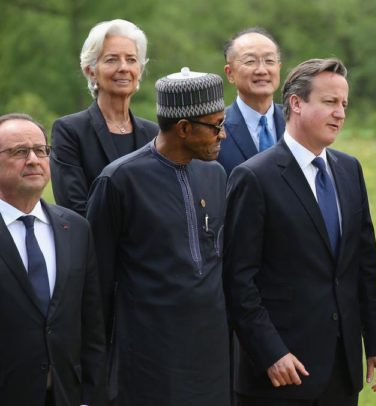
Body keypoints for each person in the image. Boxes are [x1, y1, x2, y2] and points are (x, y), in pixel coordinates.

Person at [224, 58, 376, 406]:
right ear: (296, 104)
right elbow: (238, 280)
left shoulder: (349, 170)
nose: (340, 113)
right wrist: (270, 352)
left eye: (344, 104)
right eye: (330, 102)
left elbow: (364, 266)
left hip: (341, 373)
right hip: (279, 373)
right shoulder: (254, 177)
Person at [86, 68, 230, 405]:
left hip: (211, 357)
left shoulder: (216, 174)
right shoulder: (119, 181)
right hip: (148, 359)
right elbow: (96, 285)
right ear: (183, 128)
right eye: (216, 126)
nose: (222, 135)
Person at [0, 113, 105, 405]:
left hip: (66, 395)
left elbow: (92, 326)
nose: (33, 159)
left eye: (41, 150)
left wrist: (90, 397)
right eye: (19, 152)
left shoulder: (75, 229)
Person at [51, 19, 158, 216]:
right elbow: (74, 210)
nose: (124, 67)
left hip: (150, 246)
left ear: (140, 70)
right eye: (112, 59)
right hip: (97, 245)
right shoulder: (70, 131)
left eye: (131, 59)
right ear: (91, 71)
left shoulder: (154, 134)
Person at [219, 27, 285, 175]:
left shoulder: (298, 122)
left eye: (269, 61)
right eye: (250, 61)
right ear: (230, 73)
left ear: (278, 68)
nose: (262, 70)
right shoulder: (215, 129)